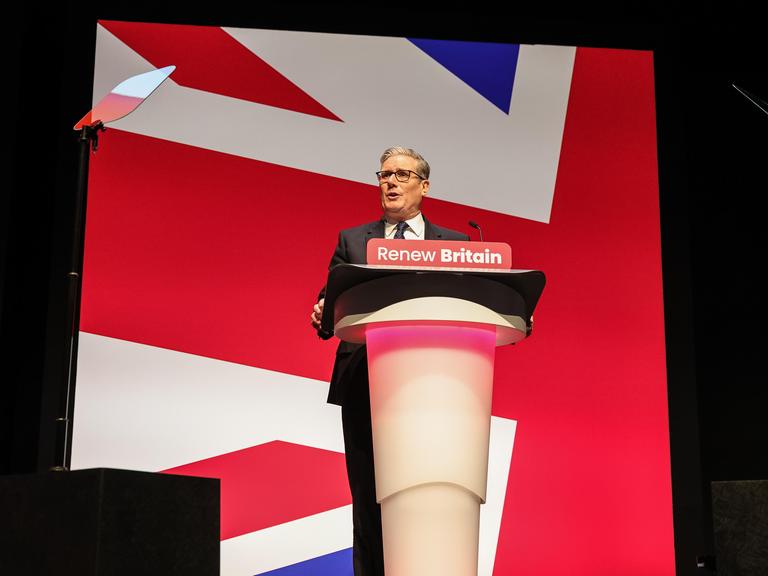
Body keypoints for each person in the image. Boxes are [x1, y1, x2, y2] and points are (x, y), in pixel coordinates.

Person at [310, 147, 469, 576]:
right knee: (368, 497)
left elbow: (471, 302)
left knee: (428, 495)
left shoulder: (456, 244)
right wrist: (323, 312)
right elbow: (331, 303)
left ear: (424, 185)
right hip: (363, 378)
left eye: (402, 174)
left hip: (434, 384)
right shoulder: (353, 240)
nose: (391, 182)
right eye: (384, 175)